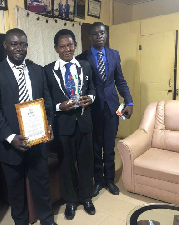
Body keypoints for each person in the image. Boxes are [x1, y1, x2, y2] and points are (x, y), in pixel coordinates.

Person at [0, 28, 56, 225]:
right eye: (14, 44)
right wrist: (10, 137)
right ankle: (21, 221)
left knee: (41, 184)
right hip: (11, 144)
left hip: (38, 141)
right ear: (5, 46)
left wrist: (49, 124)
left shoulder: (37, 70)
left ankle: (47, 219)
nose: (19, 48)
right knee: (15, 190)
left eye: (23, 44)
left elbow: (47, 101)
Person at [76, 22, 133, 197]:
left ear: (106, 35)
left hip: (112, 106)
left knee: (109, 145)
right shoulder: (82, 58)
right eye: (95, 34)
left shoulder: (114, 55)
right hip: (92, 109)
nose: (99, 36)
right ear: (89, 37)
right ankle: (98, 180)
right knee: (95, 146)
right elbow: (82, 86)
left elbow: (120, 80)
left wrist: (129, 102)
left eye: (102, 33)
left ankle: (109, 179)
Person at [44, 29, 96, 220]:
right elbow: (47, 99)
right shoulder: (48, 70)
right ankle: (71, 201)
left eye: (71, 45)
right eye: (63, 46)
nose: (67, 49)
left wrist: (90, 98)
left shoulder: (85, 66)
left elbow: (92, 88)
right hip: (63, 125)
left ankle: (86, 197)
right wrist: (59, 106)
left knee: (86, 162)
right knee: (66, 165)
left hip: (84, 122)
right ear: (56, 48)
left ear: (75, 45)